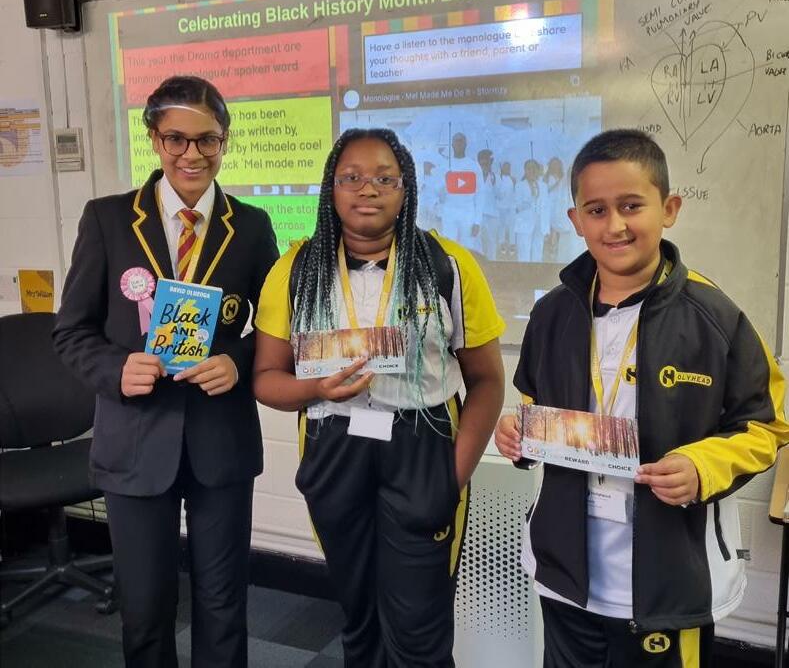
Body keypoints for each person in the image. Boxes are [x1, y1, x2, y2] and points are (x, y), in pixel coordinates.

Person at [495, 128, 788, 668]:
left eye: (631, 206)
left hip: (669, 583)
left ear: (669, 209)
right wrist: (517, 432)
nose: (615, 225)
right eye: (597, 210)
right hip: (565, 575)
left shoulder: (715, 318)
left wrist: (701, 465)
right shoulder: (552, 313)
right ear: (576, 220)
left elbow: (766, 425)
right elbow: (532, 403)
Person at [253, 128, 505, 667]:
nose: (368, 189)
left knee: (418, 627)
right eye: (352, 177)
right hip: (333, 444)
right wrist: (315, 387)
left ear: (406, 188)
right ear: (331, 188)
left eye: (385, 179)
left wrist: (452, 475)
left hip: (423, 447)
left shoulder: (449, 264)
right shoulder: (295, 269)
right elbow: (266, 379)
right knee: (359, 615)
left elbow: (486, 380)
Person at [53, 75, 279, 668]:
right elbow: (70, 331)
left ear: (225, 141)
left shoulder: (251, 225)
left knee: (223, 603)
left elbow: (278, 331)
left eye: (208, 140)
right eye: (176, 139)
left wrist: (237, 360)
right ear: (154, 139)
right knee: (145, 608)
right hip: (134, 439)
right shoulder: (107, 220)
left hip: (220, 441)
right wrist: (114, 368)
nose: (192, 154)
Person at [513, 158, 550, 262]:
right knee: (523, 254)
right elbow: (517, 206)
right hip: (524, 224)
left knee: (538, 253)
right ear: (525, 170)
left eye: (534, 168)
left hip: (539, 225)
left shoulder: (543, 186)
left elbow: (546, 208)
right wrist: (531, 197)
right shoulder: (519, 186)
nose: (531, 171)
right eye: (529, 168)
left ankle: (536, 272)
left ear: (537, 170)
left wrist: (546, 229)